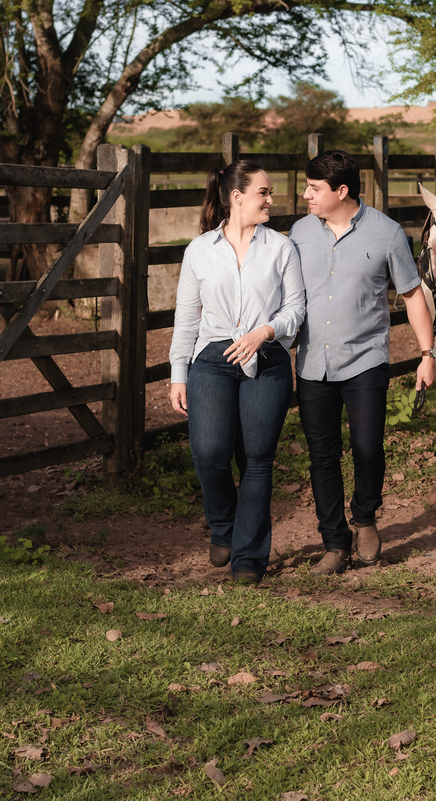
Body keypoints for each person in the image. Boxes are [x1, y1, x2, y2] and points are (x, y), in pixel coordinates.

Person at [289, 150, 436, 575]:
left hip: (366, 361)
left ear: (341, 191)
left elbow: (412, 296)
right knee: (322, 455)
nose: (305, 195)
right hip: (313, 362)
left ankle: (366, 518)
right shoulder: (299, 233)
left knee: (368, 448)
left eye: (313, 188)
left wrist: (427, 355)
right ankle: (334, 542)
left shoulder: (387, 233)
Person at [168, 160, 306, 586]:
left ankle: (249, 556)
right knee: (209, 453)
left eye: (271, 192)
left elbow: (296, 310)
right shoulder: (199, 250)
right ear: (237, 197)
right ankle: (223, 525)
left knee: (257, 459)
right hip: (211, 359)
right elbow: (187, 318)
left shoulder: (281, 248)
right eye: (264, 191)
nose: (271, 199)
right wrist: (178, 373)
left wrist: (266, 330)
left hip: (267, 361)